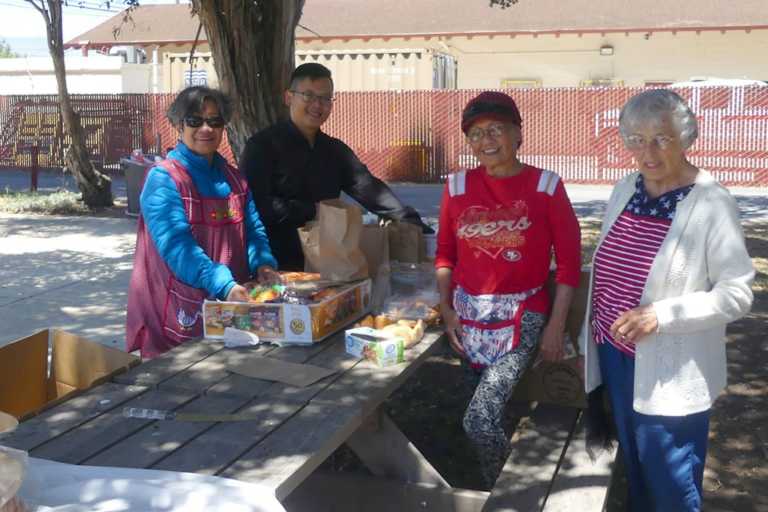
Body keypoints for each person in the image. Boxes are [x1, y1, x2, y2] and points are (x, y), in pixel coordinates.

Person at [579, 89, 755, 511]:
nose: (648, 152)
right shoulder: (626, 188)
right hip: (616, 356)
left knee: (671, 482)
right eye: (636, 140)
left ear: (686, 136)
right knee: (637, 467)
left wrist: (663, 315)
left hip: (670, 370)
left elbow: (737, 293)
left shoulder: (711, 202)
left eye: (661, 138)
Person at [434, 91, 582, 487]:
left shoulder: (546, 187)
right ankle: (480, 478)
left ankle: (506, 491)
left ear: (518, 133)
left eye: (497, 129)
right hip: (468, 315)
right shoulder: (457, 186)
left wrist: (555, 324)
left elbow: (568, 265)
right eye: (476, 133)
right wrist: (447, 309)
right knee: (476, 405)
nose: (486, 141)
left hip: (524, 315)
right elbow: (445, 254)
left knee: (479, 417)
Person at [126, 86, 278, 359]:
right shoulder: (163, 179)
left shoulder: (234, 179)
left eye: (215, 121)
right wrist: (224, 284)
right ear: (178, 125)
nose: (205, 129)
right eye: (195, 121)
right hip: (178, 317)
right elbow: (178, 249)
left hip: (232, 308)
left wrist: (264, 264)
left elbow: (253, 230)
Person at [239, 63, 432, 270]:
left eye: (325, 98)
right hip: (274, 268)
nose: (317, 105)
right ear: (289, 98)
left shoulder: (334, 151)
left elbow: (370, 190)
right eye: (309, 96)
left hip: (327, 265)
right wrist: (311, 211)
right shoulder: (262, 146)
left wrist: (414, 223)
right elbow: (254, 205)